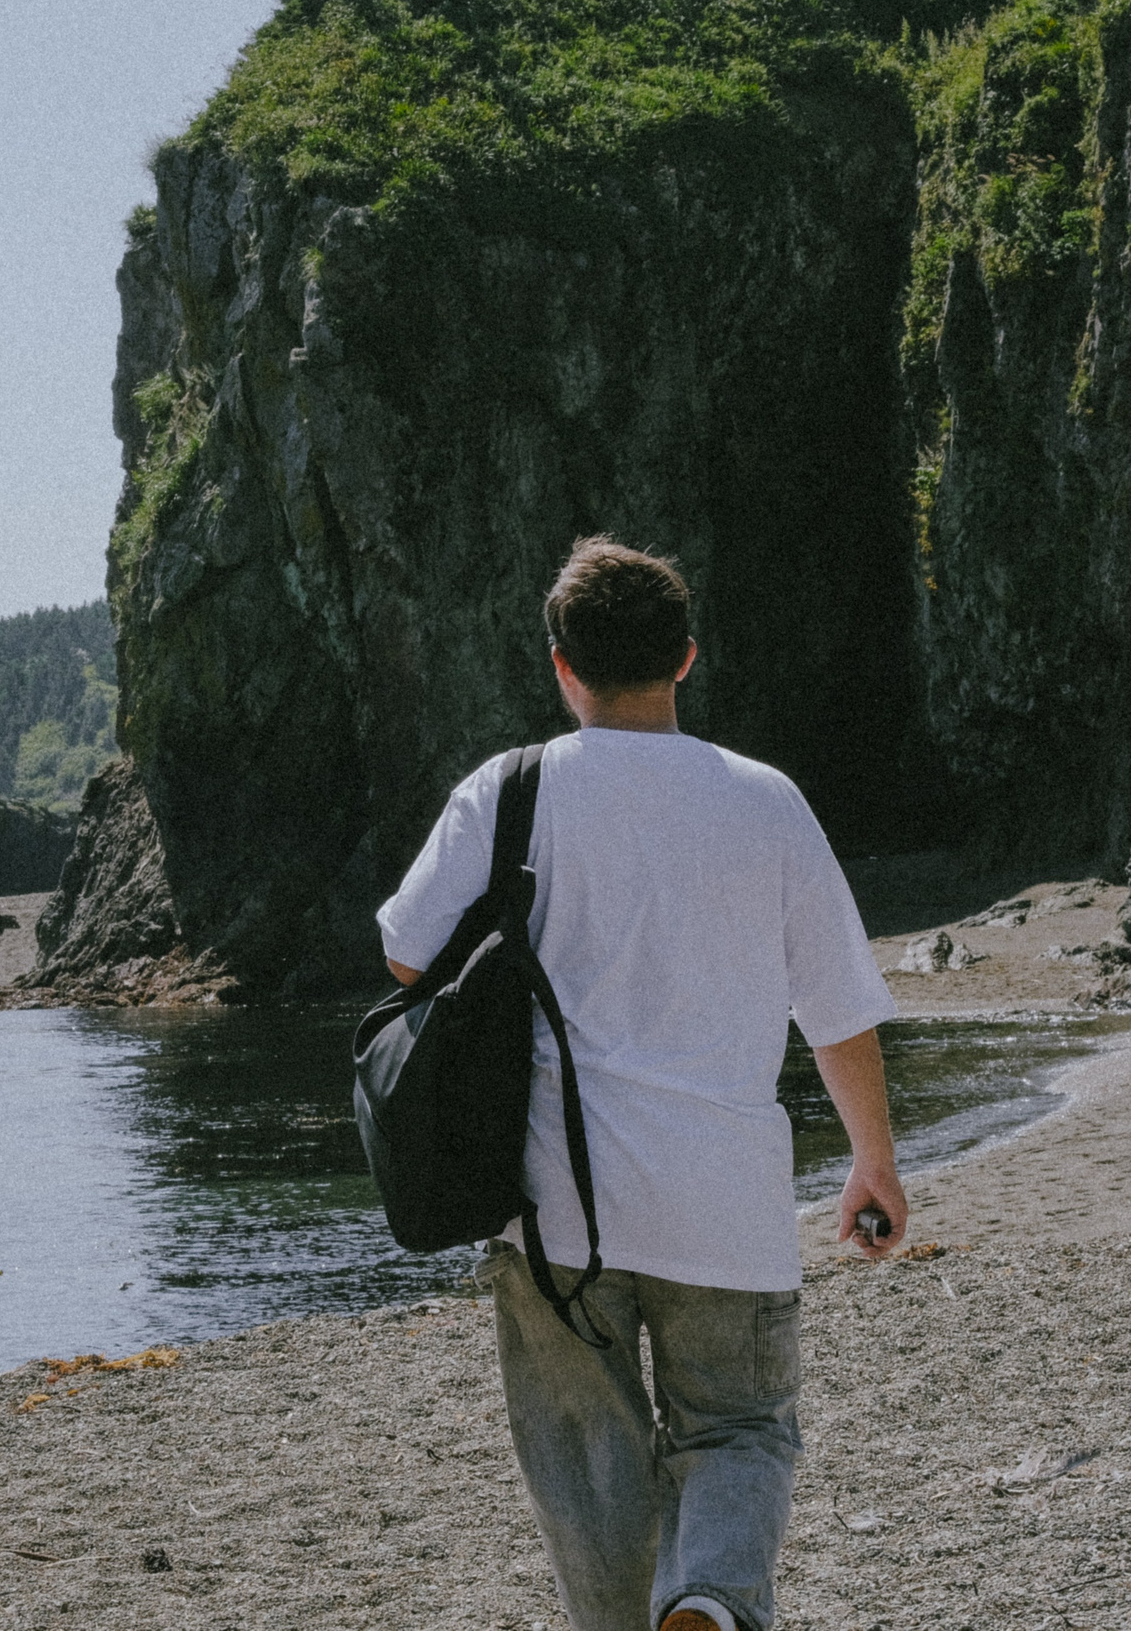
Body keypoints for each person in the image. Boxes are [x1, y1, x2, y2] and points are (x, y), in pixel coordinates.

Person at [375, 537, 906, 1631]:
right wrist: (874, 1161)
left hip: (555, 1202)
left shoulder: (509, 789)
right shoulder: (767, 802)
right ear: (686, 660)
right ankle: (706, 1599)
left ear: (561, 666)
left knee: (589, 1467)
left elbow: (403, 953)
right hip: (725, 1202)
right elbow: (836, 1005)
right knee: (739, 1432)